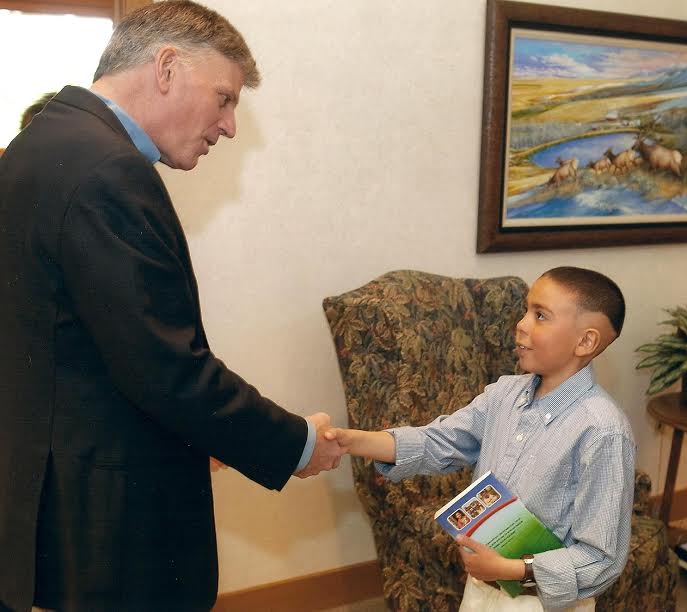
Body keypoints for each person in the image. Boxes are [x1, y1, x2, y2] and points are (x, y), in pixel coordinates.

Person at [0, 2, 344, 611]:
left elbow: (78, 343)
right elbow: (163, 367)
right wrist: (293, 442)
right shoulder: (109, 170)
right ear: (166, 68)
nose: (230, 126)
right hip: (111, 522)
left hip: (50, 490)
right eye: (224, 98)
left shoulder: (37, 145)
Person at [327, 267, 635, 612]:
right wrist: (352, 441)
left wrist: (511, 570)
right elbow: (440, 441)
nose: (521, 324)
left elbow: (601, 557)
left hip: (543, 602)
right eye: (525, 310)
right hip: (483, 585)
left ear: (586, 341)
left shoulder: (603, 430)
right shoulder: (504, 394)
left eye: (541, 316)